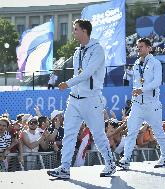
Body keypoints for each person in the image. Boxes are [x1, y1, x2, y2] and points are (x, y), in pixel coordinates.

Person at [47, 19, 115, 179]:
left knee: (98, 135)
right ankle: (64, 168)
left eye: (76, 29)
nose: (73, 32)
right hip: (74, 99)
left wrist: (68, 83)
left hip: (91, 100)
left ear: (84, 31)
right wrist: (70, 85)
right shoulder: (77, 52)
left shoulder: (98, 50)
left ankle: (110, 164)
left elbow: (88, 73)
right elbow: (78, 74)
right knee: (69, 134)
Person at [117, 38, 165, 170]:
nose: (138, 49)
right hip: (137, 104)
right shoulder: (135, 64)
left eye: (141, 46)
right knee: (131, 132)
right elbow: (136, 82)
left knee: (158, 132)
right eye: (137, 47)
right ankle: (126, 159)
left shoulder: (156, 63)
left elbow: (157, 82)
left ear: (149, 48)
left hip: (152, 104)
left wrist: (142, 89)